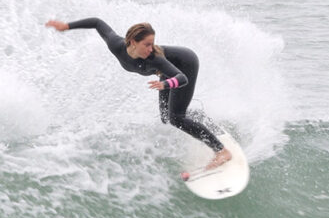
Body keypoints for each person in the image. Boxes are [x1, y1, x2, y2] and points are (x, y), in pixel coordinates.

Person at [45, 17, 232, 170]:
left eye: (152, 44)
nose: (150, 49)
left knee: (176, 118)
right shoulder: (116, 45)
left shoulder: (155, 59)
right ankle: (199, 118)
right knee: (166, 117)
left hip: (185, 65)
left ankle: (221, 151)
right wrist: (66, 26)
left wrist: (166, 84)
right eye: (147, 44)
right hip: (167, 76)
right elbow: (97, 23)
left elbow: (182, 78)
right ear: (132, 42)